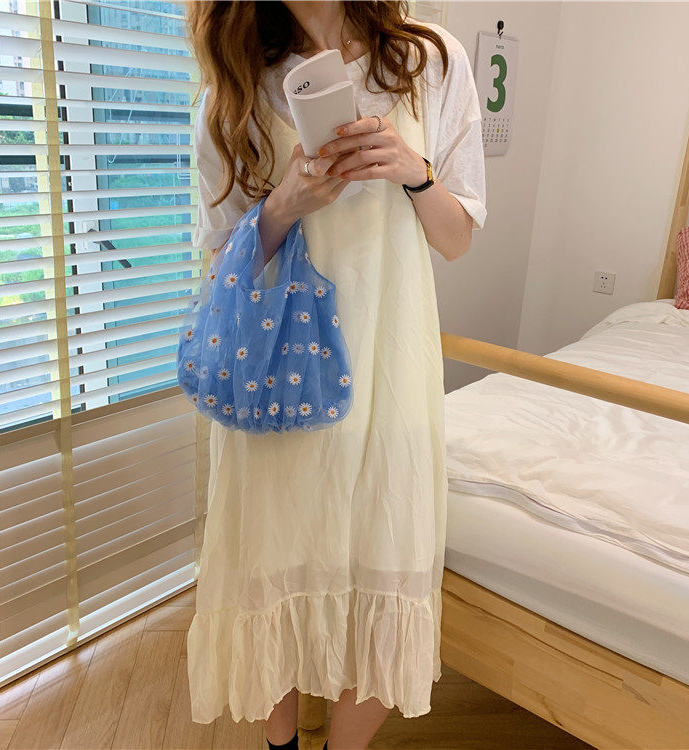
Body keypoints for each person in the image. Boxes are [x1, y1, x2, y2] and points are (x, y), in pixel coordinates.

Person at [184, 2, 486, 748]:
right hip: (280, 376)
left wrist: (413, 173)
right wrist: (284, 206)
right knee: (272, 570)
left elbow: (457, 240)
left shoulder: (428, 61)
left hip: (393, 365)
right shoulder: (235, 91)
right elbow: (221, 263)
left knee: (389, 563)